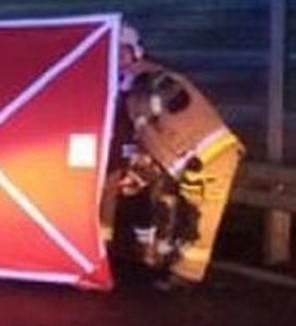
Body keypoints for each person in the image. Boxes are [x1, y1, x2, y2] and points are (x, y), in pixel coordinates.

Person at [103, 25, 243, 288]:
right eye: (113, 53)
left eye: (122, 52)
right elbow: (154, 137)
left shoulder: (148, 83)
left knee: (199, 218)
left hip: (208, 157)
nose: (117, 59)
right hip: (194, 159)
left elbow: (153, 129)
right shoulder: (144, 84)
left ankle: (187, 274)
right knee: (174, 208)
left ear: (136, 52)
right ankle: (165, 261)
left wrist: (141, 172)